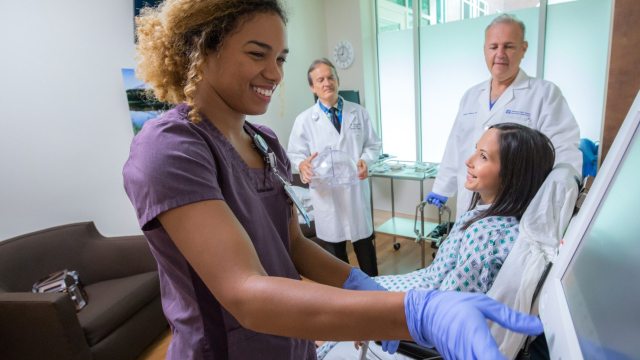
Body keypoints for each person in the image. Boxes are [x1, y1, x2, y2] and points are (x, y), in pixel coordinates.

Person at [123, 1, 544, 359]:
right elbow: (246, 293)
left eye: (281, 58)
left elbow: (292, 244)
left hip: (293, 339)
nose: (275, 73)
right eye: (257, 54)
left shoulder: (263, 141)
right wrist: (412, 313)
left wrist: (364, 289)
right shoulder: (172, 148)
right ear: (203, 49)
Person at [320, 123, 555, 359]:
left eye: (483, 156)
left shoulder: (487, 235)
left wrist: (378, 319)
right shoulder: (484, 216)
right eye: (475, 149)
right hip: (421, 290)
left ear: (513, 174)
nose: (469, 160)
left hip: (419, 306)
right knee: (343, 305)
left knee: (333, 321)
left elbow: (445, 312)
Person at [426, 14, 582, 217]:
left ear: (523, 49)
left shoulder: (545, 94)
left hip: (515, 206)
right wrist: (442, 188)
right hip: (470, 201)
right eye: (493, 47)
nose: (500, 54)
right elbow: (456, 146)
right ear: (484, 50)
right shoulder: (471, 95)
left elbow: (563, 152)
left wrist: (555, 203)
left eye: (508, 46)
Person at [287, 59, 382, 276]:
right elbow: (294, 154)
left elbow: (373, 145)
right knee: (336, 253)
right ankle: (345, 296)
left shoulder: (358, 112)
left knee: (365, 247)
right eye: (320, 79)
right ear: (313, 87)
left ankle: (376, 293)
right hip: (326, 193)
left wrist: (366, 161)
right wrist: (302, 165)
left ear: (338, 80)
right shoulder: (304, 120)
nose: (326, 83)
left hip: (355, 189)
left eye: (330, 77)